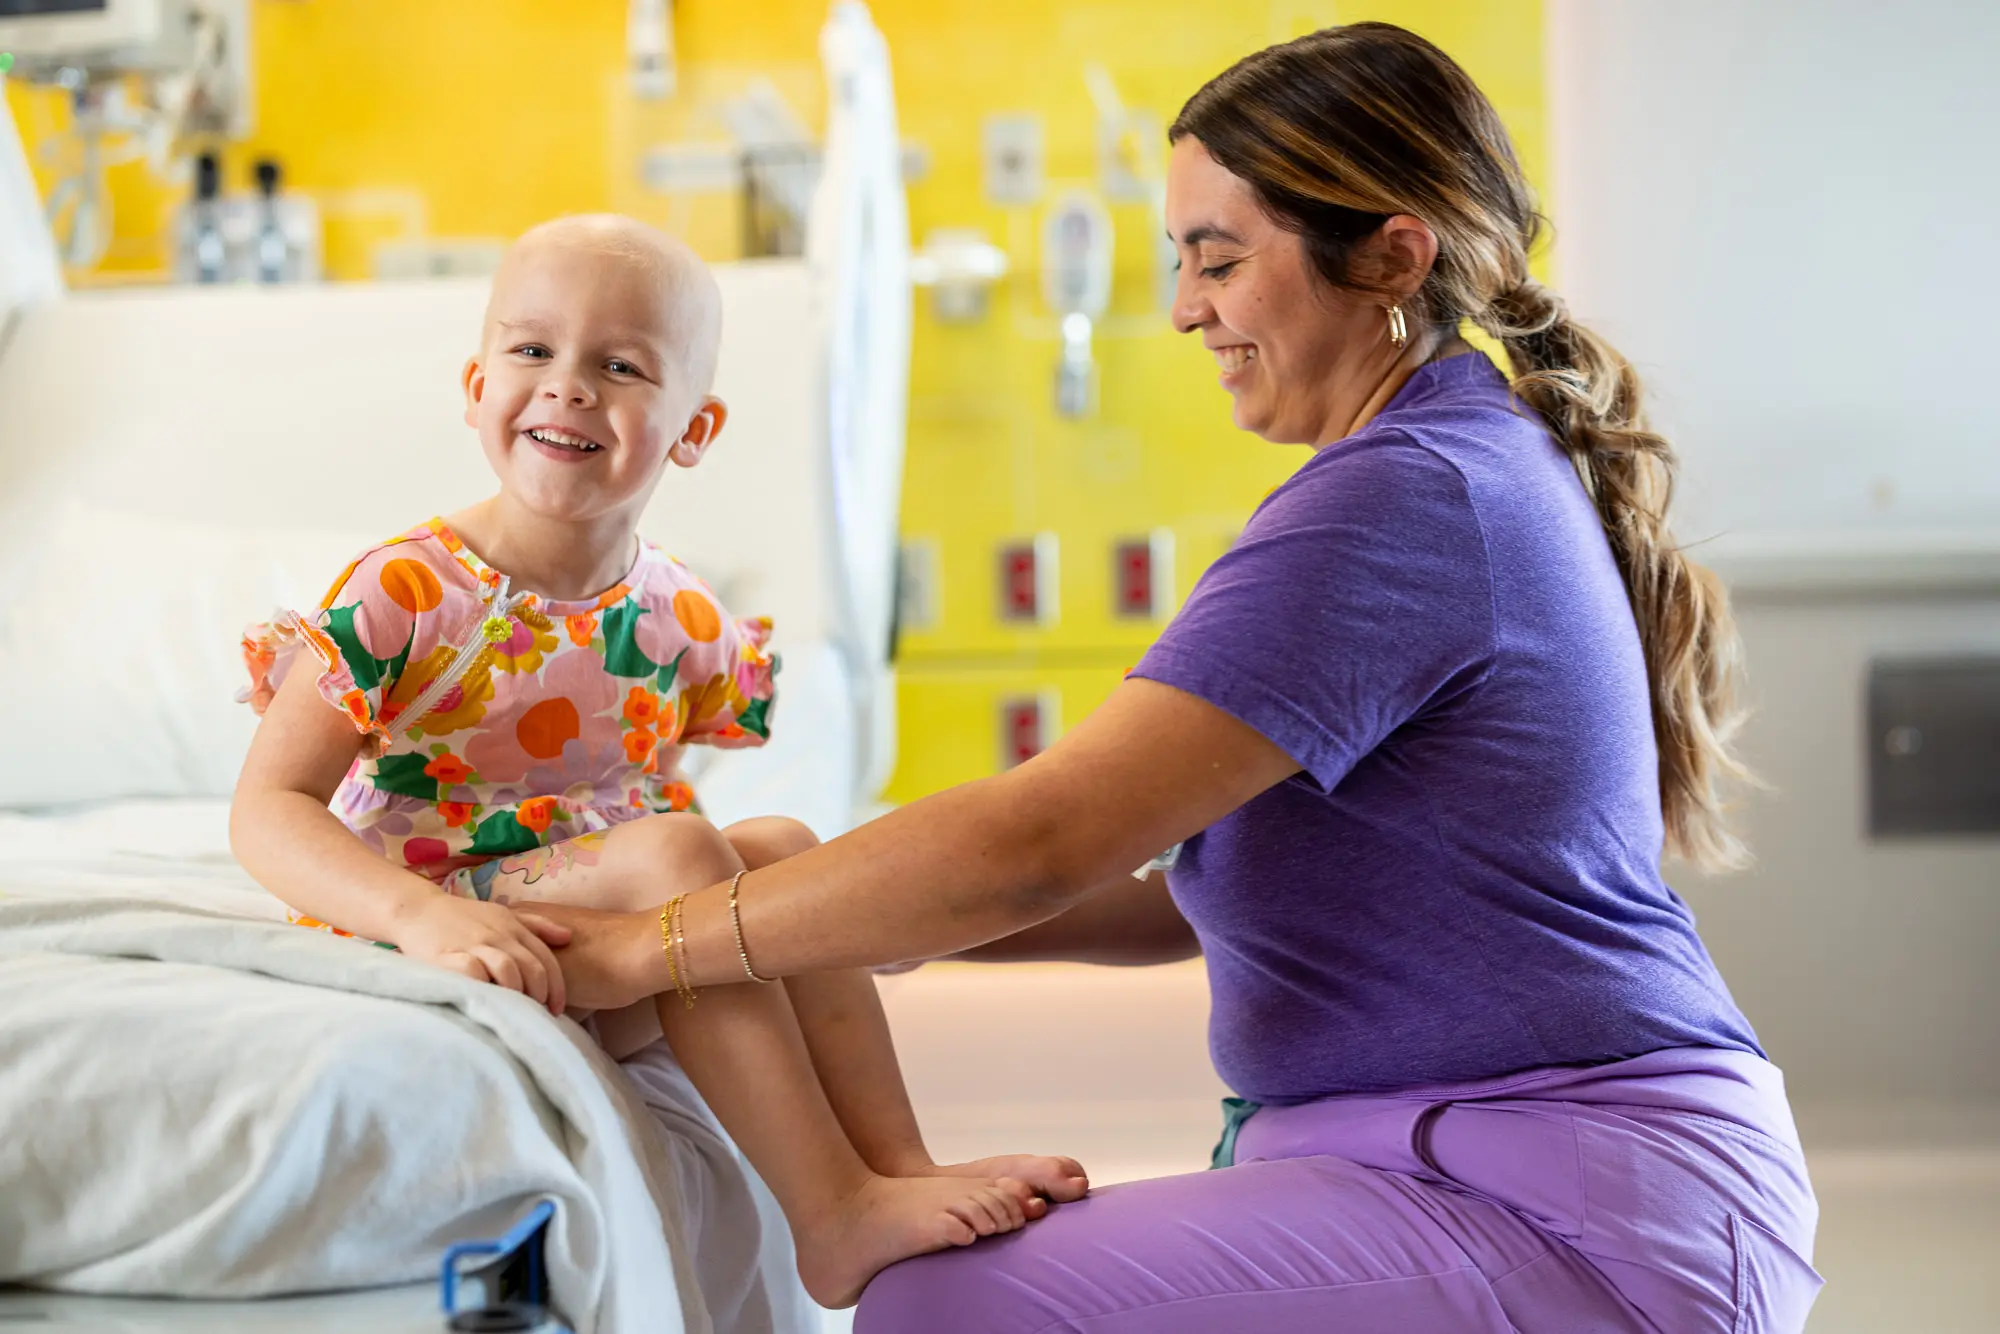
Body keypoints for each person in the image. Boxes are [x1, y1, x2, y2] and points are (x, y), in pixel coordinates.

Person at [522, 24, 1824, 1334]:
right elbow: (1199, 897)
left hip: (1572, 1206)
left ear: (1391, 256)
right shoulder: (1463, 459)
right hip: (1507, 1163)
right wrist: (832, 910)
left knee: (949, 1306)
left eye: (1219, 258)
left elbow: (1041, 840)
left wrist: (651, 947)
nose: (1185, 306)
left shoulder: (1400, 502)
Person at [228, 213, 1088, 1311]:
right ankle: (826, 1212)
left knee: (783, 850)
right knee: (683, 846)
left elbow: (620, 797)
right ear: (475, 380)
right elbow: (265, 806)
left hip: (609, 944)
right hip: (440, 926)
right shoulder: (406, 591)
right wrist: (417, 916)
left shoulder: (673, 611)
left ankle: (896, 1161)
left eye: (620, 365)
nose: (569, 387)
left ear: (692, 427)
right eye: (533, 350)